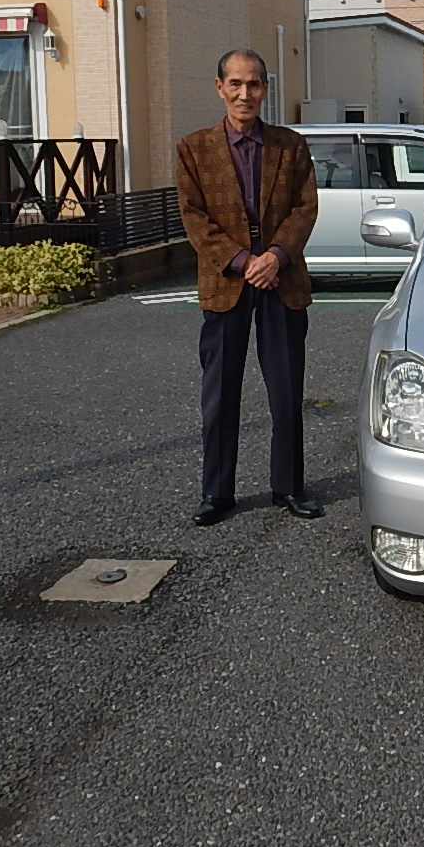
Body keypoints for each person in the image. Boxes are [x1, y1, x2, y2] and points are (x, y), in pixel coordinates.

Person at [175, 48, 322, 526]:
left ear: (265, 88)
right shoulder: (193, 149)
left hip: (282, 278)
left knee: (285, 390)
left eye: (254, 84)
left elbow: (305, 208)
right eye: (235, 84)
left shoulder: (290, 145)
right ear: (219, 87)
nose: (245, 93)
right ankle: (217, 493)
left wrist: (275, 255)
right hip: (226, 281)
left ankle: (290, 486)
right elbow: (194, 218)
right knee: (220, 394)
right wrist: (243, 261)